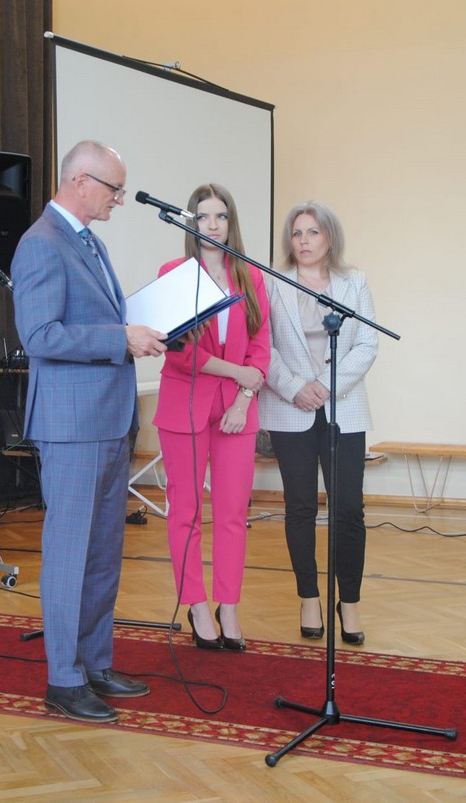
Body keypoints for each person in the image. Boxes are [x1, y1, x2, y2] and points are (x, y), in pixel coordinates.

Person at [12, 140, 169, 723]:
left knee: (103, 553)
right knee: (70, 554)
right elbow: (40, 336)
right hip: (72, 425)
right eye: (113, 189)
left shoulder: (89, 241)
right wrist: (119, 338)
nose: (119, 200)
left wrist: (141, 329)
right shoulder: (41, 243)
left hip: (108, 420)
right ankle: (64, 679)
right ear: (80, 180)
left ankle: (95, 664)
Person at [153, 184, 270, 652]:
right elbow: (181, 354)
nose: (213, 225)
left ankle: (229, 605)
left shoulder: (250, 276)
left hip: (237, 410)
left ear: (231, 222)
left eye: (221, 216)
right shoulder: (174, 274)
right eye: (203, 217)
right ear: (191, 223)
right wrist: (238, 372)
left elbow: (260, 346)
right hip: (184, 405)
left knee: (233, 514)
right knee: (185, 511)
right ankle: (197, 604)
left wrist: (243, 398)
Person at [258, 201, 378, 646]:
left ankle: (350, 602)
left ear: (330, 237)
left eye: (313, 232)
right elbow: (264, 346)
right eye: (297, 233)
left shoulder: (354, 282)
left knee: (348, 509)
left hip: (343, 407)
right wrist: (295, 388)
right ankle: (309, 597)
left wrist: (325, 386)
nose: (304, 241)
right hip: (290, 408)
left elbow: (367, 344)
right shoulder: (273, 282)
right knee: (300, 507)